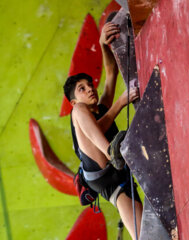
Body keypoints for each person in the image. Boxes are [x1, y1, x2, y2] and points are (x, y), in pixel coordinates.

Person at [63, 22, 142, 239]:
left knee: (143, 233)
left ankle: (114, 154)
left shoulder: (103, 105)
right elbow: (98, 124)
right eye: (82, 88)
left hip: (116, 180)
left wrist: (102, 44)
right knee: (82, 112)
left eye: (89, 84)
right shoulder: (78, 111)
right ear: (72, 99)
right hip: (98, 167)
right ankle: (112, 152)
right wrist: (121, 102)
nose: (90, 89)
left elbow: (110, 72)